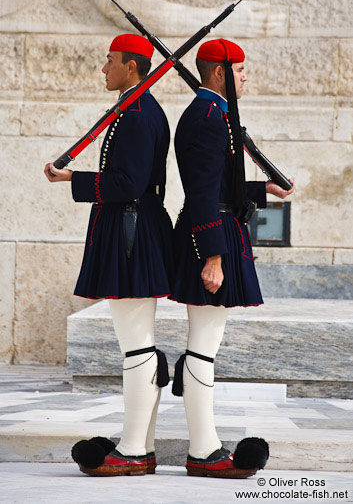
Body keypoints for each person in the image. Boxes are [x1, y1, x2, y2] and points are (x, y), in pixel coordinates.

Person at [44, 34, 174, 476]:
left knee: (136, 348)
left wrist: (71, 179)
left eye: (110, 61)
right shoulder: (131, 108)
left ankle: (134, 450)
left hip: (131, 233)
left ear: (132, 67)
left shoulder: (138, 115)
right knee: (139, 347)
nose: (103, 69)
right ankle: (143, 446)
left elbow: (128, 185)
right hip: (128, 230)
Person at [169, 38, 295, 478]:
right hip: (213, 236)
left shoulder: (215, 115)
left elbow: (222, 186)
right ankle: (203, 452)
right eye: (240, 71)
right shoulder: (207, 118)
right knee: (203, 350)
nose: (246, 78)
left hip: (219, 229)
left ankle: (204, 447)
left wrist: (265, 190)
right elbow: (202, 193)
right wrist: (214, 257)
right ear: (219, 74)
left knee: (205, 347)